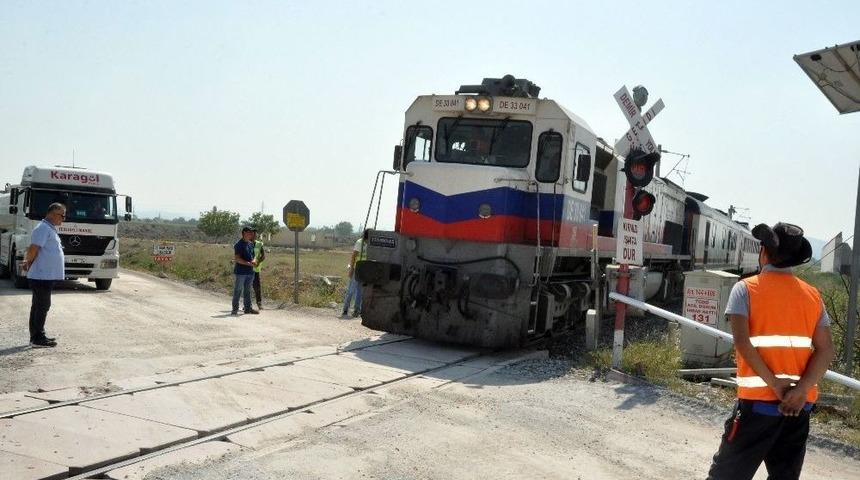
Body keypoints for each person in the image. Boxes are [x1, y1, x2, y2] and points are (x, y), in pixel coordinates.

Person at [707, 222, 835, 480]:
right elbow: (826, 350)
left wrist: (776, 385)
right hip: (798, 406)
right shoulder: (813, 296)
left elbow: (743, 343)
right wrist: (799, 391)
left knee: (726, 476)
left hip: (758, 405)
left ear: (764, 253)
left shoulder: (745, 289)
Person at [21, 203, 66, 348]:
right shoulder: (43, 228)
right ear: (52, 213)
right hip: (41, 276)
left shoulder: (48, 228)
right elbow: (34, 248)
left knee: (38, 306)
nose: (63, 219)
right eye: (62, 215)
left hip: (45, 275)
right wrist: (27, 262)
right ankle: (37, 338)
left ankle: (37, 336)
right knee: (42, 306)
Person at [231, 227, 259, 316]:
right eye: (249, 232)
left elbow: (253, 256)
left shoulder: (250, 244)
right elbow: (237, 259)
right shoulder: (239, 245)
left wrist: (254, 261)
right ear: (244, 233)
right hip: (241, 272)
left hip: (250, 272)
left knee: (248, 291)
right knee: (238, 290)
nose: (251, 234)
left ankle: (248, 309)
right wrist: (249, 264)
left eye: (251, 232)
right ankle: (235, 309)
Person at [341, 230, 368, 318]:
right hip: (357, 269)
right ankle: (345, 309)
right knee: (351, 290)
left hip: (364, 270)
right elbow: (353, 256)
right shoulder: (360, 242)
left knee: (360, 292)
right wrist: (351, 269)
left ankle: (357, 310)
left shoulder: (370, 244)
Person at [251, 228, 266, 310]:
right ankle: (247, 304)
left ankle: (259, 303)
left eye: (255, 234)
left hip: (256, 269)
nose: (254, 235)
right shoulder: (246, 243)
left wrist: (258, 262)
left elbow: (263, 256)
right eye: (253, 234)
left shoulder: (259, 244)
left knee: (257, 287)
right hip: (247, 268)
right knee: (247, 287)